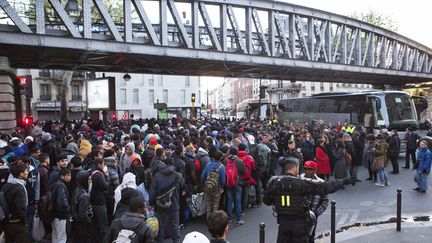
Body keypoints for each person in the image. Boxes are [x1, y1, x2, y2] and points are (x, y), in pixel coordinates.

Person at [263, 157, 355, 243]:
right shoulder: (301, 184)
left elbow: (266, 201)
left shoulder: (275, 183)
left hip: (283, 224)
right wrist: (345, 180)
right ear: (295, 167)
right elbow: (327, 187)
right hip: (299, 226)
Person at [300, 161, 329, 243]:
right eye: (306, 169)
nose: (307, 171)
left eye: (310, 169)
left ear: (315, 170)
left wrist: (316, 213)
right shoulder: (299, 180)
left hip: (312, 216)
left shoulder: (321, 183)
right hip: (299, 214)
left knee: (310, 237)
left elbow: (325, 201)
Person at [2, 162, 30, 243]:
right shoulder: (19, 188)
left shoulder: (7, 184)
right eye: (26, 171)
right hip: (17, 223)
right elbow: (20, 208)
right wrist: (25, 221)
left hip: (6, 221)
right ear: (21, 174)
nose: (28, 172)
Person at [200, 151, 226, 219]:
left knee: (208, 204)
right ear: (220, 158)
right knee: (215, 205)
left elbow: (202, 176)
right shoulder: (222, 167)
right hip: (217, 189)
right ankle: (214, 220)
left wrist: (203, 186)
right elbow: (223, 180)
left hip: (208, 187)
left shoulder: (208, 164)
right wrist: (222, 187)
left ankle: (208, 219)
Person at [51, 168, 72, 243]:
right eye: (67, 175)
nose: (69, 177)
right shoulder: (61, 186)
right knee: (61, 237)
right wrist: (68, 211)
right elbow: (62, 203)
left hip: (55, 215)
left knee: (56, 235)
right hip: (60, 216)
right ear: (62, 176)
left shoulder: (57, 184)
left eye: (70, 175)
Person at [71, 170, 92, 243]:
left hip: (76, 223)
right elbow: (83, 215)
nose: (90, 181)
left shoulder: (77, 189)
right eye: (89, 179)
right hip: (82, 226)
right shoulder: (84, 196)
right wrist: (89, 222)